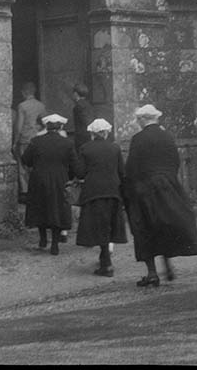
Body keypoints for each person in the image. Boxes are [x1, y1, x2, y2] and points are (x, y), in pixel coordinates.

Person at [125, 104, 197, 287]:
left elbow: (132, 167)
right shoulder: (167, 137)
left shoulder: (138, 139)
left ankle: (152, 273)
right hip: (168, 186)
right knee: (165, 224)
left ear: (143, 119)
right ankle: (168, 266)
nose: (137, 122)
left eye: (138, 119)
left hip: (145, 188)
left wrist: (130, 188)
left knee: (144, 228)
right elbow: (175, 161)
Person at [74, 118, 128, 277]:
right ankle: (105, 259)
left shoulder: (85, 148)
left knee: (98, 225)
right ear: (105, 133)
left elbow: (80, 172)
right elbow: (121, 172)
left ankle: (106, 263)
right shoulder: (115, 148)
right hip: (112, 190)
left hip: (93, 191)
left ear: (92, 133)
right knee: (109, 225)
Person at [22, 113, 77, 255]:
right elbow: (74, 165)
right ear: (61, 127)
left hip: (39, 178)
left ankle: (42, 239)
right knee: (57, 209)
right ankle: (55, 244)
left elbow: (25, 160)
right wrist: (69, 176)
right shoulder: (67, 143)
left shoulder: (36, 141)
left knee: (41, 207)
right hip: (59, 179)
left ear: (46, 126)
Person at [12, 82, 46, 204]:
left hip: (25, 138)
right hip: (36, 137)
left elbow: (19, 125)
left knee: (23, 166)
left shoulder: (22, 106)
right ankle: (37, 191)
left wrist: (15, 141)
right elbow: (44, 122)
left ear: (23, 92)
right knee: (35, 165)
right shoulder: (41, 105)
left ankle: (26, 192)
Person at [71, 83, 95, 152]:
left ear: (75, 94)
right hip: (89, 135)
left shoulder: (78, 106)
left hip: (81, 138)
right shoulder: (89, 105)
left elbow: (83, 122)